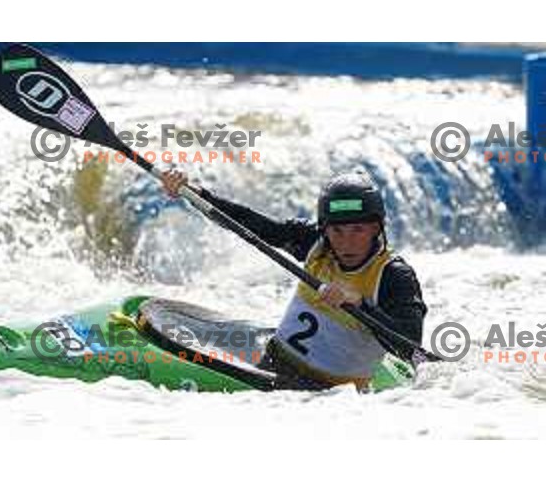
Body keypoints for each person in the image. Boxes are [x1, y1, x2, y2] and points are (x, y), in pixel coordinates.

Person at [161, 168, 427, 391]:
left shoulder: (394, 275)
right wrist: (198, 195)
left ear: (377, 227)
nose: (347, 241)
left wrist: (361, 305)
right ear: (324, 228)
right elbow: (257, 227)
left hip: (330, 395)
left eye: (358, 229)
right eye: (337, 230)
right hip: (273, 364)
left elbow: (409, 347)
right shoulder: (316, 242)